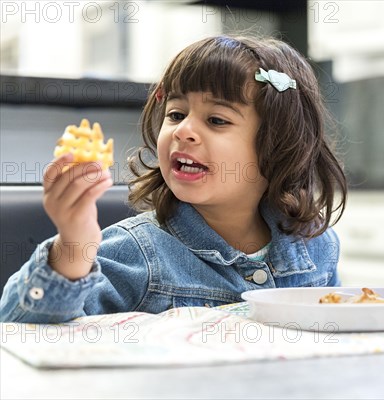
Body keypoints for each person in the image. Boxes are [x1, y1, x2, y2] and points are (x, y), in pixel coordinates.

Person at [0, 35, 347, 323]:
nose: (184, 131)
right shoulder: (137, 254)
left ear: (279, 145)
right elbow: (20, 333)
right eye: (176, 114)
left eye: (216, 120)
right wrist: (74, 246)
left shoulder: (317, 246)